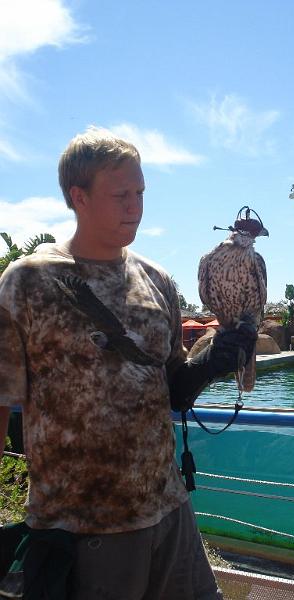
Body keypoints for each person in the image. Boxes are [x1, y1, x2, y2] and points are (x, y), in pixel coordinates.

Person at [0, 127, 256, 599]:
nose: (135, 206)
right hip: (84, 527)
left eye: (139, 193)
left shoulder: (157, 280)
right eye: (120, 194)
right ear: (78, 196)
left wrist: (213, 360)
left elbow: (173, 390)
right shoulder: (28, 283)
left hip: (169, 511)